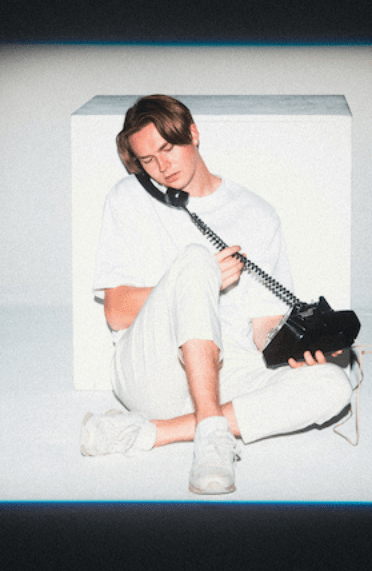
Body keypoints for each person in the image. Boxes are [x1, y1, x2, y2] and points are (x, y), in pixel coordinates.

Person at [81, 94, 352, 495]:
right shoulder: (128, 199)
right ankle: (211, 438)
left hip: (227, 372)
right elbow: (116, 312)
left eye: (168, 149)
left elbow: (262, 327)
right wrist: (203, 278)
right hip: (153, 373)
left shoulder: (257, 214)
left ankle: (152, 433)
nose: (162, 167)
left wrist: (298, 350)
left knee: (334, 385)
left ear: (193, 133)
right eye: (148, 160)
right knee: (197, 259)